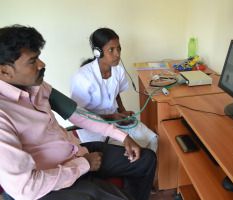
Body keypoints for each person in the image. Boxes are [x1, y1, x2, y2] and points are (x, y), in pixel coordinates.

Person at [0, 24, 156, 200]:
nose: (42, 65)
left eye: (39, 58)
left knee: (146, 159)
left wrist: (123, 136)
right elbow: (26, 189)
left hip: (76, 152)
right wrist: (83, 165)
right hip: (53, 180)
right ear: (4, 70)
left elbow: (79, 114)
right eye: (32, 61)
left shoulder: (37, 86)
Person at [70, 28, 158, 152]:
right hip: (93, 128)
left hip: (117, 120)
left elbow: (116, 94)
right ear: (97, 52)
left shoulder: (118, 70)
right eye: (111, 50)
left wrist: (123, 113)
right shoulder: (82, 78)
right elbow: (79, 116)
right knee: (126, 152)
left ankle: (148, 169)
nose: (117, 54)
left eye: (119, 48)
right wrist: (113, 117)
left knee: (153, 139)